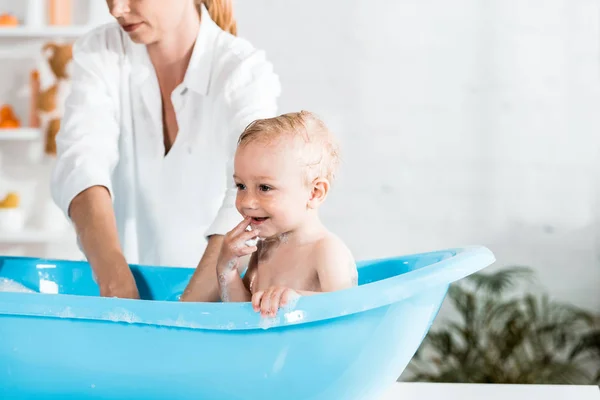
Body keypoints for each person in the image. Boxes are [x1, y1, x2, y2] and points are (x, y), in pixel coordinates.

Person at [50, 0, 281, 301]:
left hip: (219, 302)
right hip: (123, 294)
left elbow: (254, 196)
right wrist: (115, 283)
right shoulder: (101, 50)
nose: (117, 9)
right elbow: (81, 163)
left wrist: (184, 317)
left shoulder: (243, 71)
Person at [215, 111, 358, 316]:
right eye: (241, 186)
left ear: (314, 193)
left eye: (264, 188)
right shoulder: (265, 247)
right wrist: (226, 270)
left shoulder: (326, 250)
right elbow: (242, 315)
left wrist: (297, 300)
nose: (247, 202)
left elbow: (349, 310)